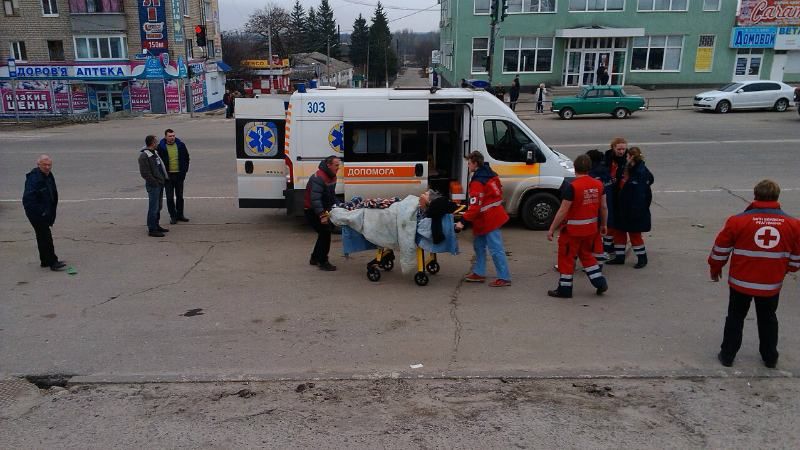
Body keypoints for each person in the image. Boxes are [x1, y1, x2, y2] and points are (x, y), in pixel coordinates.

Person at [709, 180, 800, 368]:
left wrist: (715, 267)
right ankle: (770, 357)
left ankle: (727, 355)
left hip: (740, 282)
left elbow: (720, 248)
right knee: (768, 319)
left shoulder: (738, 221)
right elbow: (796, 256)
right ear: (777, 196)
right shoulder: (793, 224)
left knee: (735, 317)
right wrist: (789, 269)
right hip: (770, 285)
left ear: (755, 195)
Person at [547, 155, 608, 298]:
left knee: (567, 259)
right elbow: (604, 207)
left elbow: (563, 211)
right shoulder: (599, 185)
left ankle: (565, 289)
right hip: (591, 230)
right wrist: (604, 224)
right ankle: (600, 282)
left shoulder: (572, 187)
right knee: (587, 256)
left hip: (572, 232)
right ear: (589, 168)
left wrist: (551, 229)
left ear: (575, 168)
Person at [455, 151, 511, 287]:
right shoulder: (490, 174)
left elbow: (475, 206)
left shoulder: (477, 182)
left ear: (475, 163)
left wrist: (462, 222)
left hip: (488, 219)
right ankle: (479, 273)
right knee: (479, 245)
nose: (468, 166)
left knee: (495, 248)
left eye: (469, 163)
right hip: (489, 216)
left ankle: (504, 277)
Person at [611, 147, 654, 269]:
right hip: (622, 208)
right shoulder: (629, 168)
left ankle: (642, 258)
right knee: (619, 233)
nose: (625, 158)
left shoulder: (640, 172)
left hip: (633, 210)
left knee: (635, 235)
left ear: (632, 157)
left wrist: (636, 211)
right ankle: (619, 257)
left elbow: (641, 194)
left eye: (627, 156)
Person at [23, 155, 65, 271]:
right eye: (44, 165)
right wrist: (42, 213)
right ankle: (53, 262)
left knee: (42, 236)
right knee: (46, 237)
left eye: (49, 165)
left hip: (45, 212)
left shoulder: (48, 175)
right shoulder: (34, 179)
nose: (47, 167)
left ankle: (45, 261)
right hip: (37, 214)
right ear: (38, 165)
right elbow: (28, 199)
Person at [305, 156, 341, 271]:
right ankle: (323, 261)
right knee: (325, 233)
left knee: (322, 233)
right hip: (311, 210)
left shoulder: (332, 177)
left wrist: (340, 205)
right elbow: (315, 199)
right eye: (336, 165)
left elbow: (331, 195)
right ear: (329, 165)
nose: (338, 168)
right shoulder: (319, 177)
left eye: (338, 165)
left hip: (321, 208)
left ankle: (315, 258)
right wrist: (322, 215)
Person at [156, 128, 190, 225]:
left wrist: (185, 171)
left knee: (180, 196)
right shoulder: (161, 147)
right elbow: (157, 162)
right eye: (170, 136)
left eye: (173, 136)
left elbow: (187, 158)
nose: (172, 138)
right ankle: (173, 216)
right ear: (165, 137)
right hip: (168, 177)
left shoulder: (181, 145)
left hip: (179, 175)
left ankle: (180, 215)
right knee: (170, 198)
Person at [138, 135, 169, 237]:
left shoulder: (154, 153)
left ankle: (156, 225)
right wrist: (155, 182)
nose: (158, 143)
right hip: (154, 185)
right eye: (156, 142)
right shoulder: (144, 156)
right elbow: (145, 173)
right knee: (153, 207)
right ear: (152, 143)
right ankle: (152, 229)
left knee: (158, 206)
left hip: (159, 183)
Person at [603, 137, 628, 257]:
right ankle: (607, 245)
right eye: (619, 149)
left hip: (621, 195)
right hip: (610, 193)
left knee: (616, 222)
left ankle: (610, 244)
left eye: (623, 149)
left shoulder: (628, 159)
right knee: (610, 221)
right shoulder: (607, 158)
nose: (622, 151)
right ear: (613, 148)